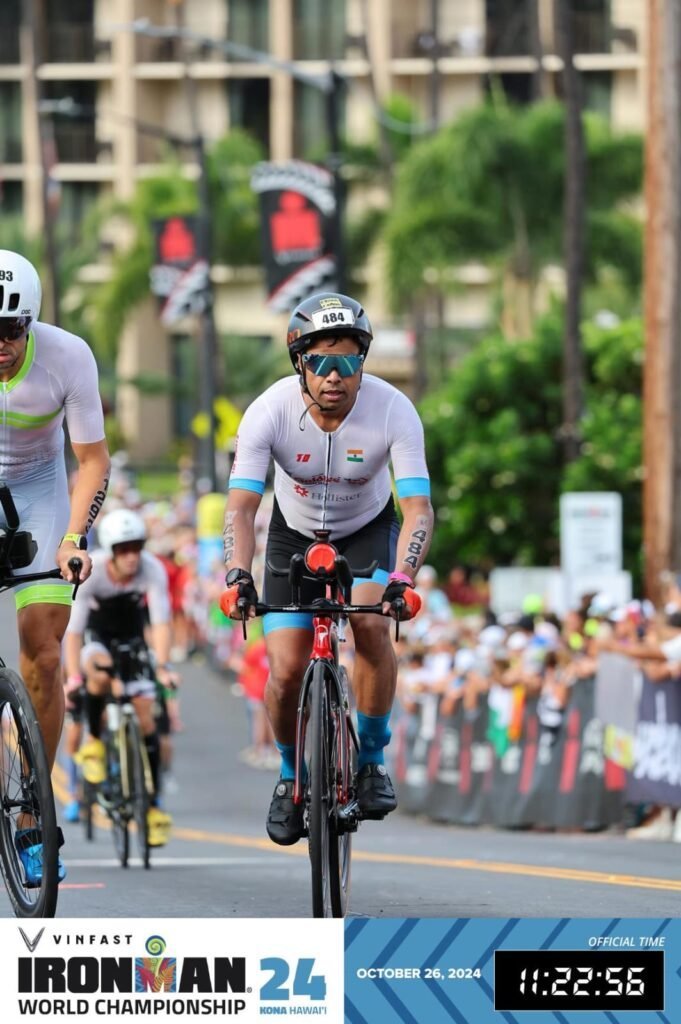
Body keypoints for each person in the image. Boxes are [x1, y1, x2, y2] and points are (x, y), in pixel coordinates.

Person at [220, 291, 433, 845]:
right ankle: (291, 778)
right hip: (291, 536)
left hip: (367, 531)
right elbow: (241, 508)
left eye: (349, 362)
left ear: (364, 365)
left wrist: (403, 580)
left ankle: (371, 759)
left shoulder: (393, 409)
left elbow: (417, 510)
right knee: (287, 669)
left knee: (367, 621)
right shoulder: (268, 411)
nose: (335, 376)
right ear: (300, 365)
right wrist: (237, 575)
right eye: (320, 362)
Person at [0, 249, 110, 886]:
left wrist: (72, 537)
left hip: (41, 491)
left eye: (11, 331)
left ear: (32, 323)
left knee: (42, 647)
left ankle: (33, 819)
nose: (1, 345)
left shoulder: (70, 356)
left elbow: (92, 461)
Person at [63, 508, 177, 847]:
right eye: (123, 549)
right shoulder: (92, 572)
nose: (131, 556)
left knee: (147, 722)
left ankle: (153, 805)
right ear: (111, 551)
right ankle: (95, 742)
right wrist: (73, 678)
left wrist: (163, 666)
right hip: (97, 640)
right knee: (96, 674)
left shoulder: (152, 569)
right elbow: (74, 632)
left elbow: (160, 622)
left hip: (132, 639)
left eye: (136, 547)